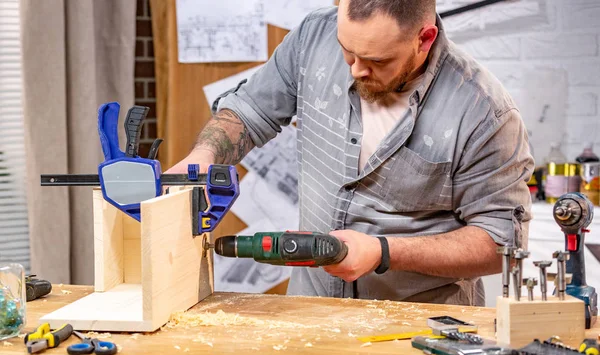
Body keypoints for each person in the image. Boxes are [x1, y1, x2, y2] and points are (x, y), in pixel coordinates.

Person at [169, 0, 534, 306]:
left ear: (424, 39)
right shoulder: (314, 36)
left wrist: (382, 252)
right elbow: (251, 110)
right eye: (347, 51)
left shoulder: (484, 114)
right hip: (312, 310)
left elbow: (500, 241)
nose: (356, 70)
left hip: (420, 327)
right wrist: (203, 156)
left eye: (376, 60)